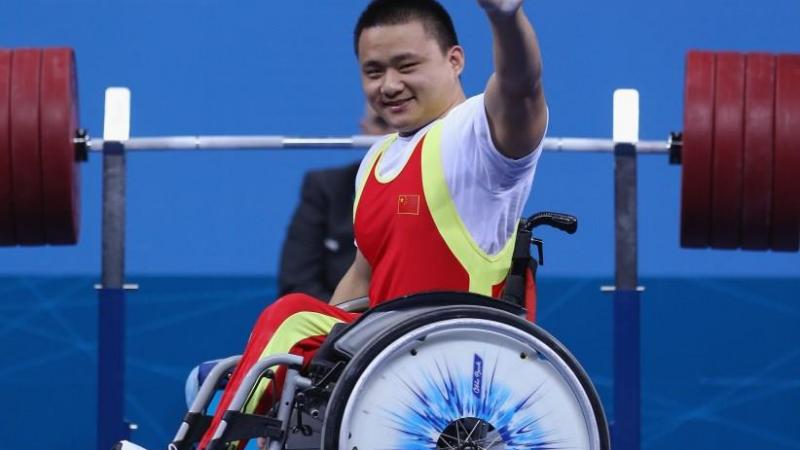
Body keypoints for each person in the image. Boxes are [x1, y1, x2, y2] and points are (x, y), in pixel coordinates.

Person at [200, 0, 547, 448]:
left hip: (452, 360)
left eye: (406, 66)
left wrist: (505, 18)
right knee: (215, 376)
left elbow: (522, 87)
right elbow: (363, 274)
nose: (389, 85)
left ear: (455, 60)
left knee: (289, 315)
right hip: (382, 352)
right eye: (373, 70)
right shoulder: (379, 157)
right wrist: (322, 349)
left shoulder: (477, 139)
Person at [277, 104, 390, 300]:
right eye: (382, 121)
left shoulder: (446, 188)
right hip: (344, 324)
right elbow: (297, 284)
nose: (396, 129)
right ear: (364, 128)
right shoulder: (326, 189)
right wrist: (356, 326)